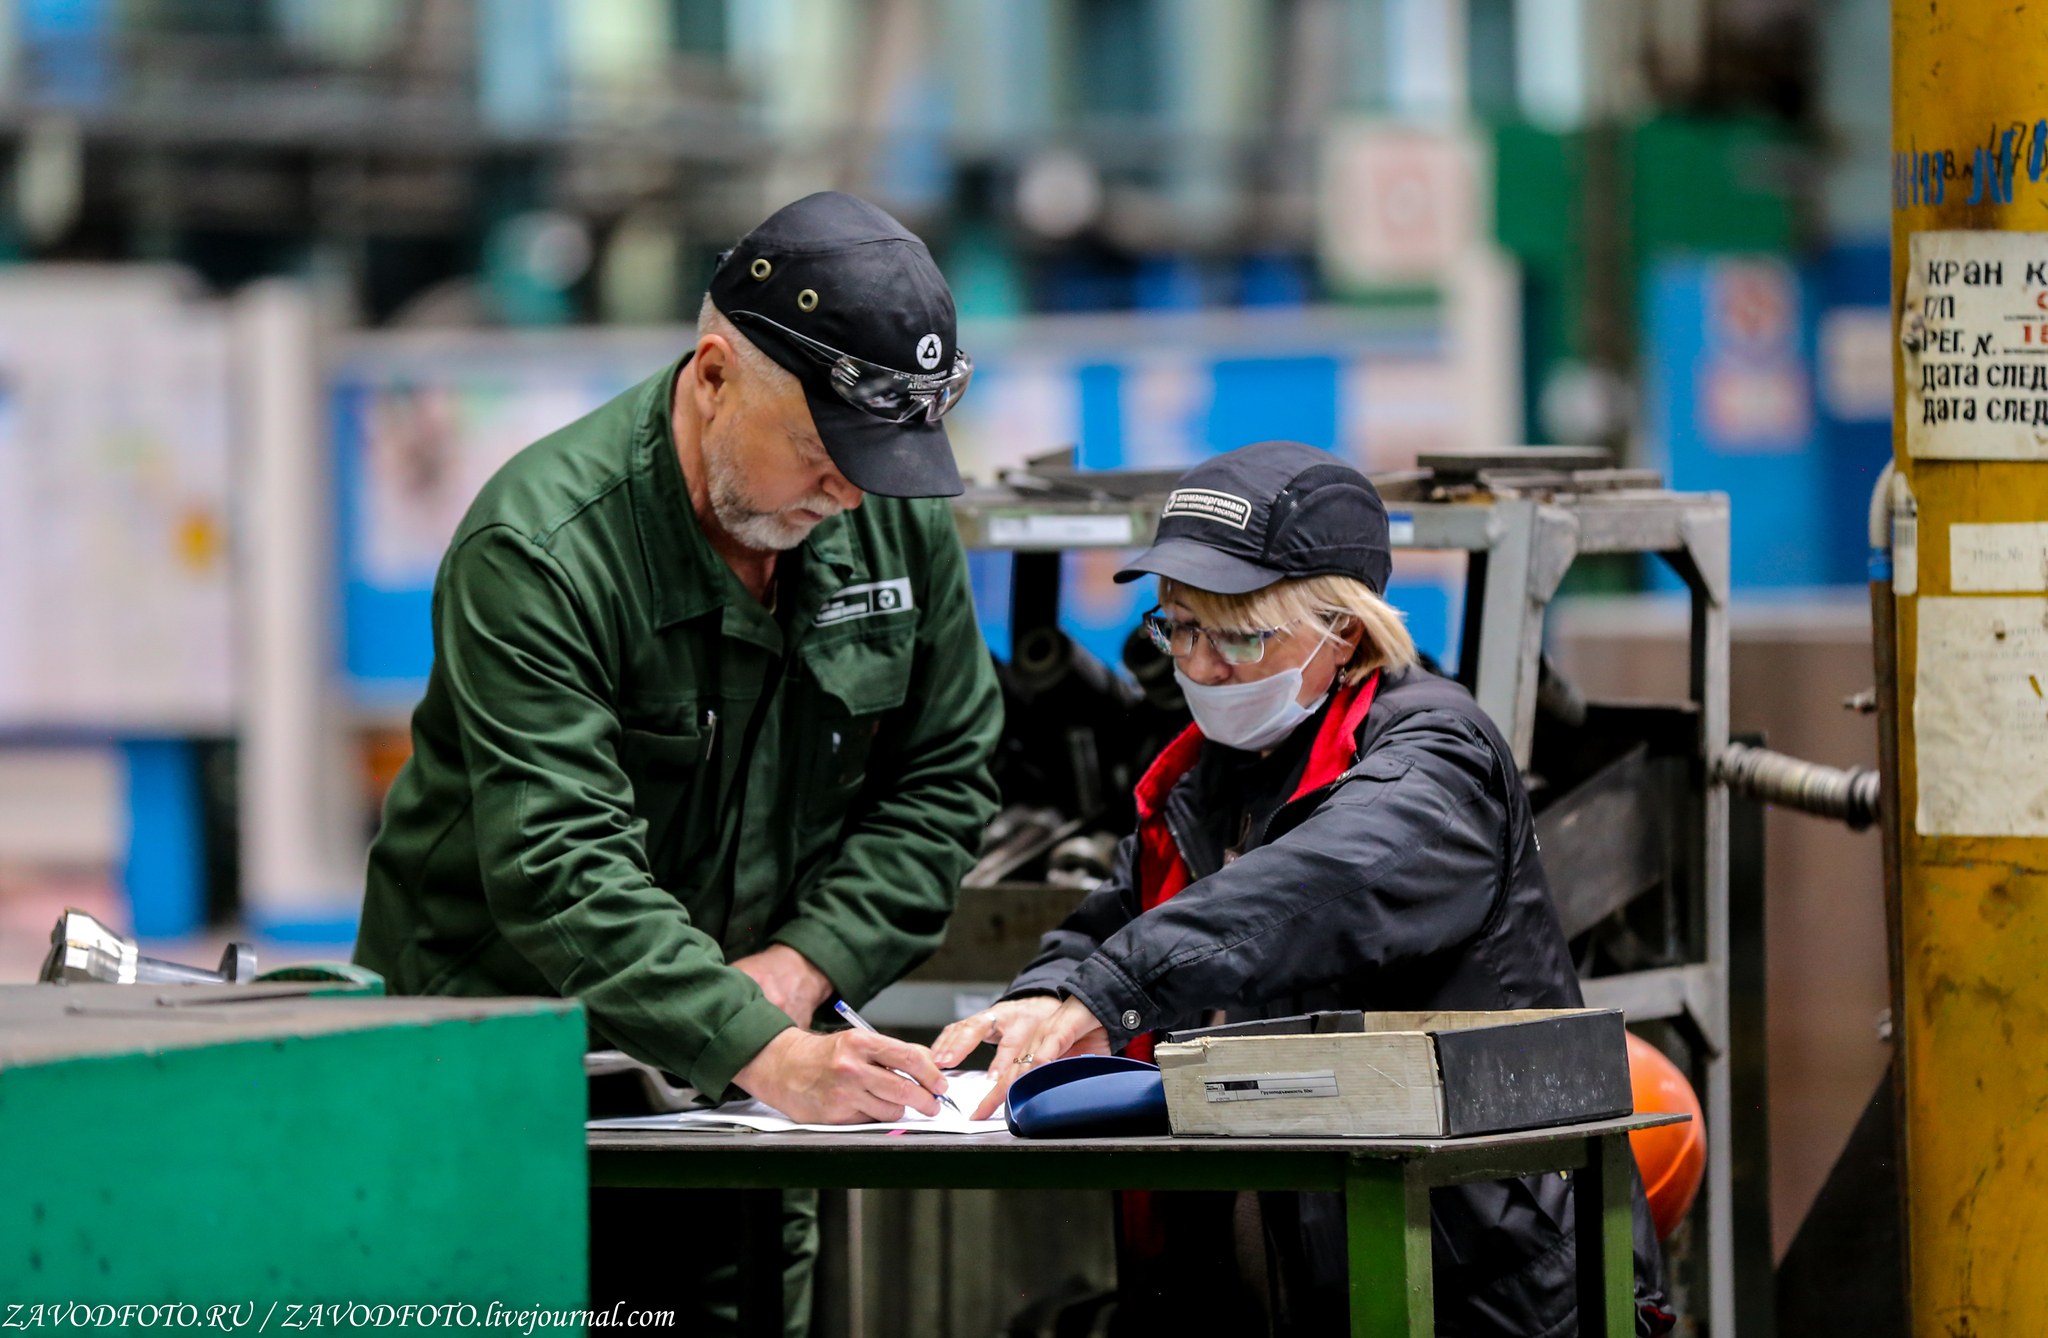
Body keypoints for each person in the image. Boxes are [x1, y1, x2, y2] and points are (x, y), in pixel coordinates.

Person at [354, 192, 1001, 1334]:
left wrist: (804, 965)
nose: (846, 491)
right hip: (501, 1090)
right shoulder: (544, 551)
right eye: (819, 449)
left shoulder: (884, 523)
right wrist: (758, 1045)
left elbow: (943, 772)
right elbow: (558, 864)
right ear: (712, 374)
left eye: (874, 462)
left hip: (734, 1110)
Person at [934, 441, 1673, 1337]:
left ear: (1344, 632)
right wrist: (1046, 995)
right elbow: (1115, 920)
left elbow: (1319, 887)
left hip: (1474, 1287)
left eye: (1239, 635)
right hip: (1275, 1279)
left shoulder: (1438, 757)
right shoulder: (1207, 780)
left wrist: (1116, 986)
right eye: (1179, 628)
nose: (1201, 669)